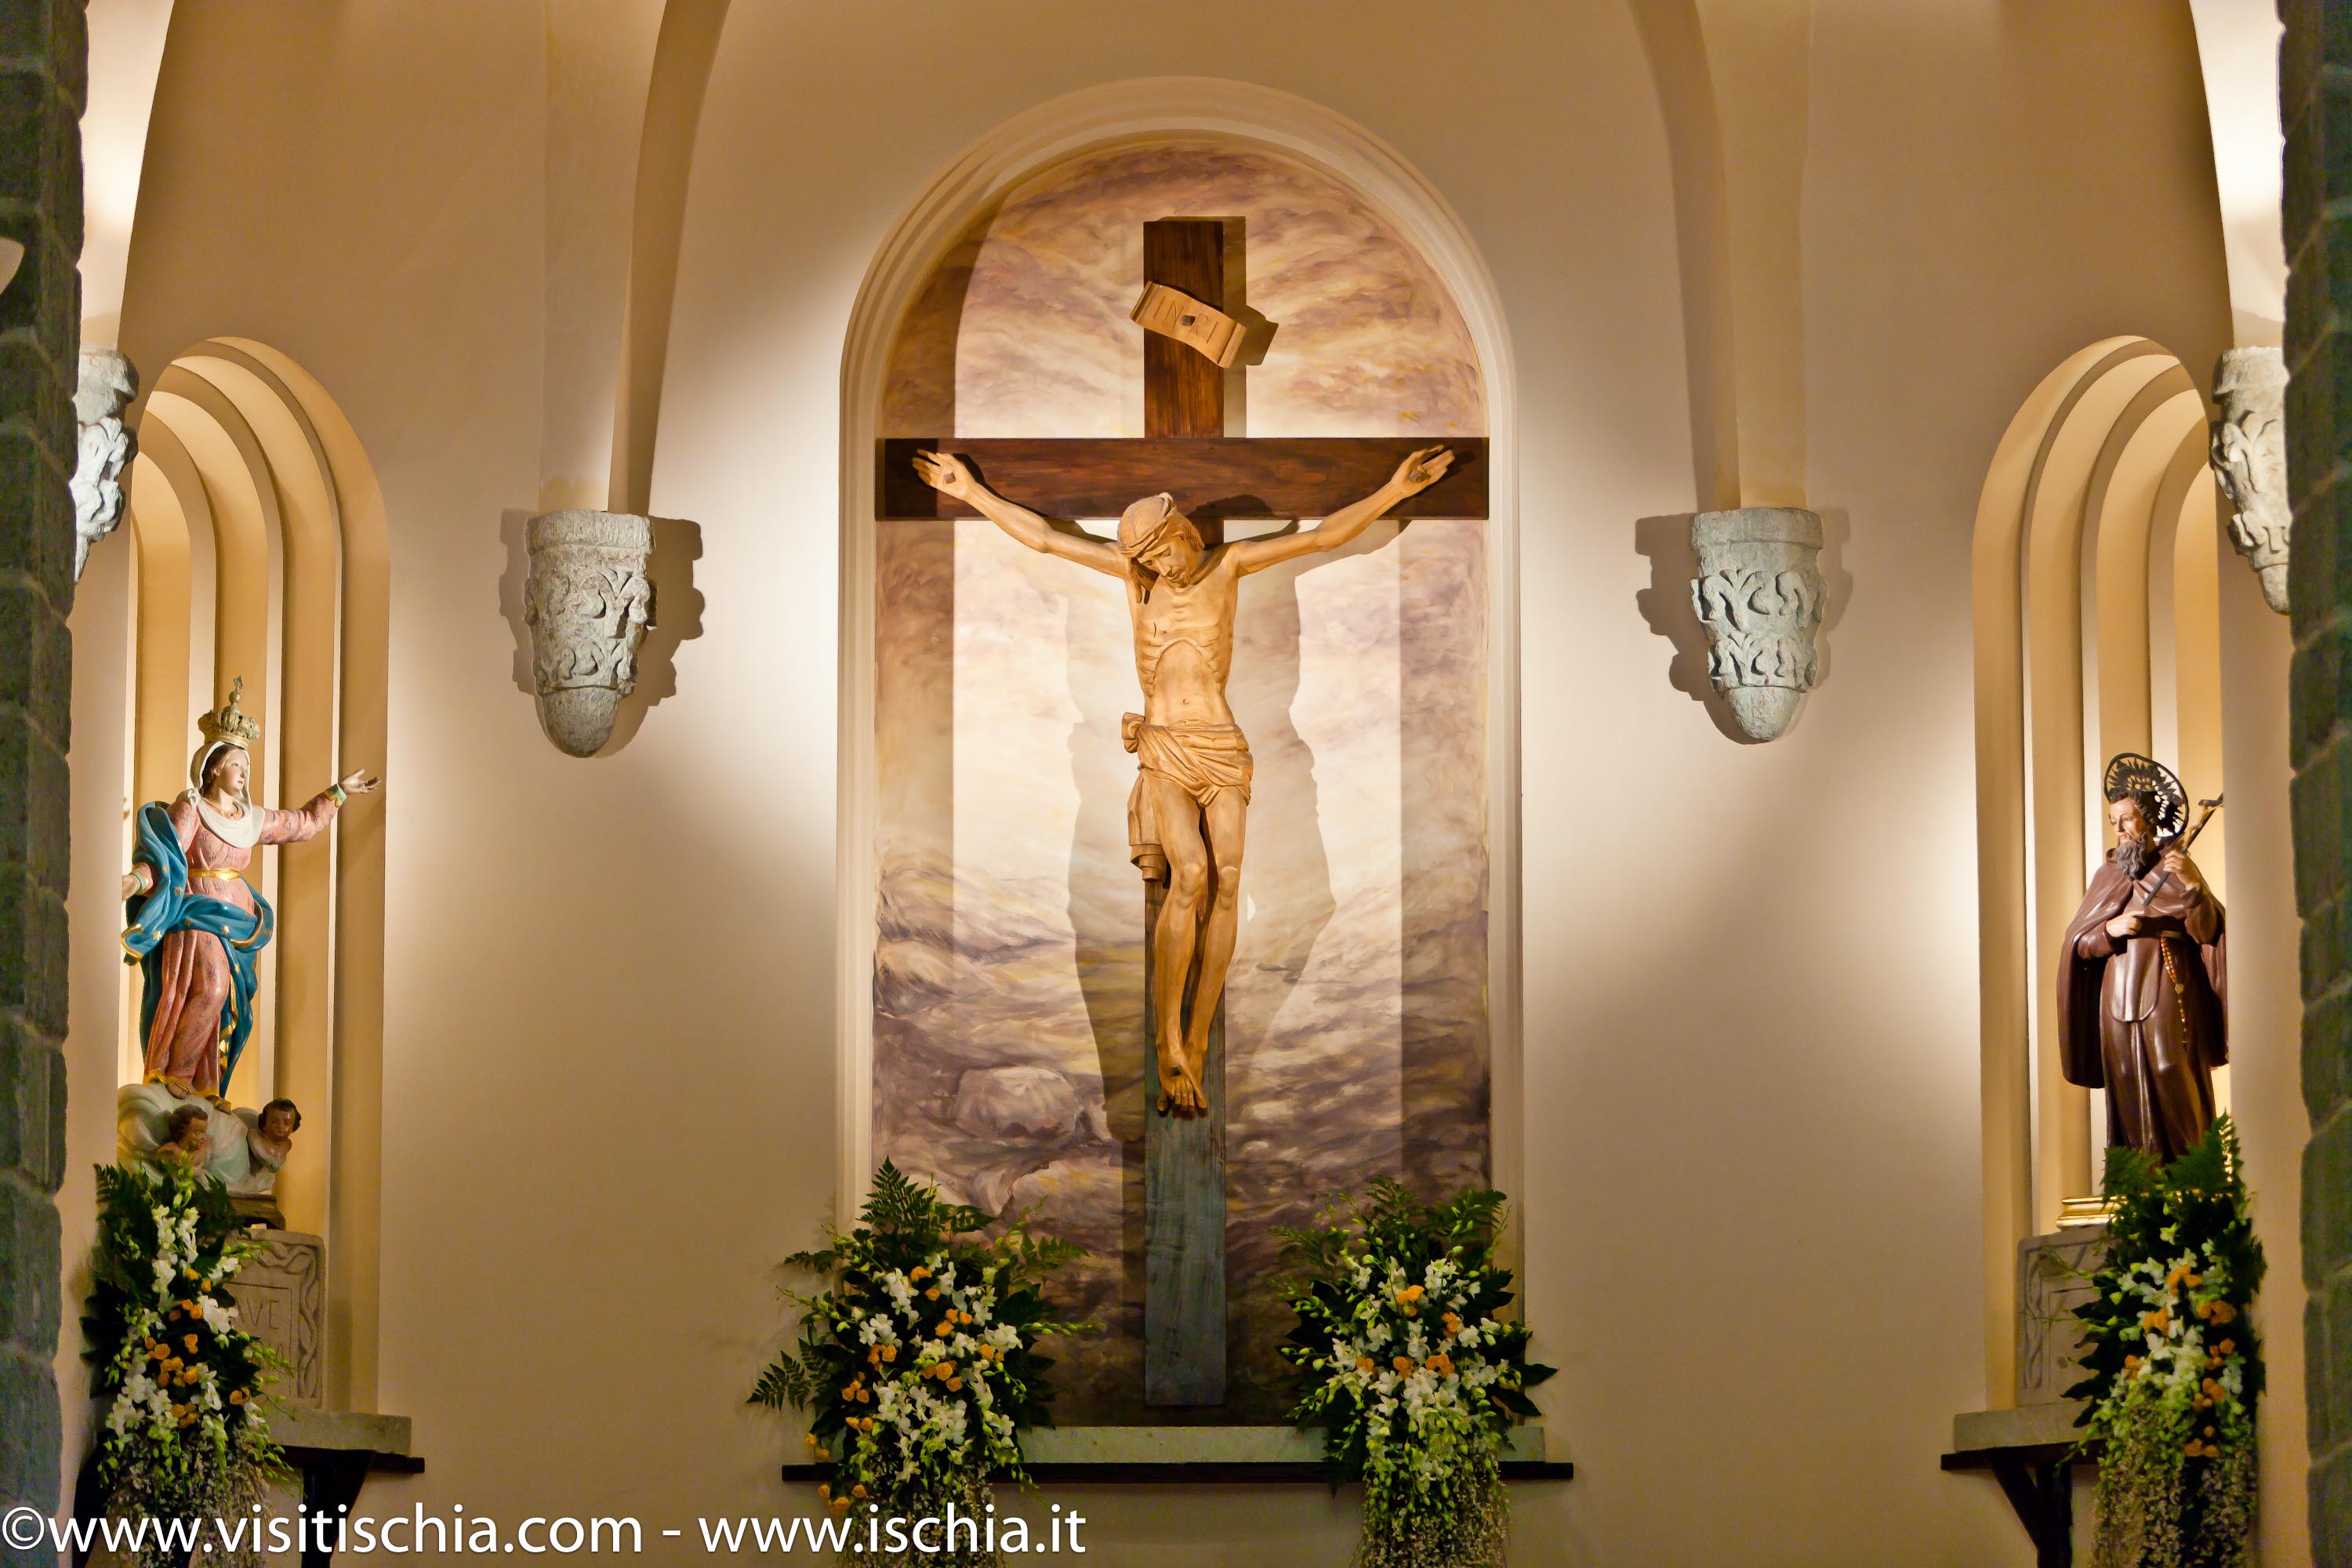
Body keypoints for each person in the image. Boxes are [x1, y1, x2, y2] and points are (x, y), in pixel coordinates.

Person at [911, 446, 1454, 1114]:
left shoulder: (1229, 566)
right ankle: (1167, 1037)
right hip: (1166, 748)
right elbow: (1047, 539)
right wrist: (970, 492)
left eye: (1166, 551)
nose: (1163, 566)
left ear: (1185, 534)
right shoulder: (1135, 582)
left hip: (1222, 746)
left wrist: (1394, 491)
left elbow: (1321, 537)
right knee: (1190, 874)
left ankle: (1195, 1044)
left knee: (1229, 882)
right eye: (1151, 558)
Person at [119, 679, 379, 1095]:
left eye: (247, 767)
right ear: (214, 767)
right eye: (237, 765)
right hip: (196, 913)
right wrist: (136, 880)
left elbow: (301, 824)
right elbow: (164, 857)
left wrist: (338, 794)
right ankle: (174, 1078)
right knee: (210, 988)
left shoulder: (250, 819)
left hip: (237, 921)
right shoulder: (192, 808)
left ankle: (206, 1085)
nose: (244, 774)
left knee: (225, 1001)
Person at [2058, 784, 2227, 1161]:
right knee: (2125, 1076)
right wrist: (2108, 930)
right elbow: (2079, 943)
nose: (2119, 829)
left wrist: (2192, 885)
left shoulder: (2174, 865)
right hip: (2117, 988)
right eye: (2113, 821)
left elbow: (2207, 931)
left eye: (2127, 819)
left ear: (2148, 821)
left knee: (2171, 1068)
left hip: (2168, 977)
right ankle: (2141, 1178)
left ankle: (2193, 1174)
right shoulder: (2107, 876)